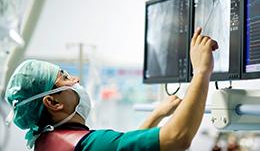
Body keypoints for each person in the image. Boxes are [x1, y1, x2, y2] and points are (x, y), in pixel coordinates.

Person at [5, 27, 218, 151]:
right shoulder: (89, 144)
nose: (76, 79)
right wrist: (201, 71)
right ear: (52, 102)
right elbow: (177, 137)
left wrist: (157, 115)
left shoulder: (46, 140)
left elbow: (125, 147)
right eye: (65, 78)